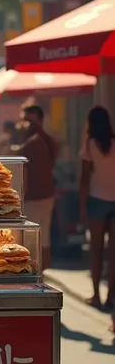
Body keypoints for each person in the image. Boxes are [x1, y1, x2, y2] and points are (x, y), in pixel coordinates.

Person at [13, 104, 58, 272]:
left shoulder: (33, 142)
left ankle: (35, 274)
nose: (23, 124)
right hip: (46, 195)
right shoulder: (48, 140)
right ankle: (40, 275)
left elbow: (23, 171)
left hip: (34, 197)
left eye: (26, 120)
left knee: (30, 240)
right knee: (44, 237)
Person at [79, 106, 115, 309]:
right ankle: (111, 296)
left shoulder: (90, 144)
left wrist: (82, 206)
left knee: (97, 251)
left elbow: (85, 177)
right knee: (113, 254)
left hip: (96, 199)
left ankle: (96, 296)